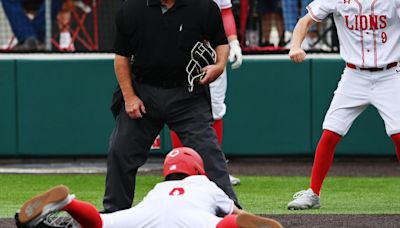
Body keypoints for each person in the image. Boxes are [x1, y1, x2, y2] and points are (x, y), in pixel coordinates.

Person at [104, 0, 240, 213]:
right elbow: (121, 58)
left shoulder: (204, 7)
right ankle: (114, 213)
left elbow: (220, 42)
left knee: (210, 155)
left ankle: (231, 213)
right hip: (144, 92)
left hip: (187, 94)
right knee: (120, 151)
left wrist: (220, 65)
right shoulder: (131, 9)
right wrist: (129, 97)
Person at [286, 0, 400, 210]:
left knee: (399, 134)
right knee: (330, 133)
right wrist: (295, 45)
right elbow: (304, 21)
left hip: (389, 74)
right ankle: (313, 193)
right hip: (354, 75)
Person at [15, 147, 283, 228]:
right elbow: (232, 210)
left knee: (98, 223)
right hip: (191, 218)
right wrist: (236, 219)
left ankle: (68, 203)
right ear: (197, 168)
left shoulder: (159, 187)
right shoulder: (204, 183)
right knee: (222, 225)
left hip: (148, 214)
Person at [169, 0, 242, 186]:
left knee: (216, 108)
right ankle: (181, 167)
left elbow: (225, 12)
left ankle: (215, 168)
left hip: (213, 49)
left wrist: (233, 42)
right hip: (179, 47)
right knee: (176, 106)